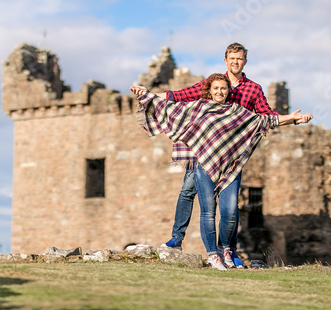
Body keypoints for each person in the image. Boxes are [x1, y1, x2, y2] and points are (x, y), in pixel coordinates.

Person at [130, 74, 312, 270]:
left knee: (230, 212)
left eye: (223, 89)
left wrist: (293, 119)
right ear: (210, 90)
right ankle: (207, 252)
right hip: (202, 163)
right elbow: (174, 101)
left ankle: (226, 250)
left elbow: (264, 119)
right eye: (216, 89)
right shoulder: (198, 107)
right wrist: (148, 94)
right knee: (202, 206)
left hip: (229, 165)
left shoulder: (237, 110)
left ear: (228, 91)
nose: (219, 91)